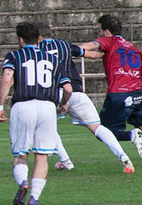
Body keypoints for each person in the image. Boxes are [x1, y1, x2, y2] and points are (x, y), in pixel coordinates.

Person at [36, 22, 133, 174]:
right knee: (97, 127)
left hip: (53, 93)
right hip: (77, 92)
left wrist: (63, 102)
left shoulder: (36, 50)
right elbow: (93, 55)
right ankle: (123, 156)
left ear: (38, 37)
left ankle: (65, 161)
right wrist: (110, 51)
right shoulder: (64, 45)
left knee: (44, 126)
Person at [0, 22, 71, 205]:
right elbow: (68, 88)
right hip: (47, 107)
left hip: (23, 106)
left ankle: (22, 182)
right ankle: (34, 199)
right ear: (39, 38)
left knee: (21, 153)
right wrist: (64, 103)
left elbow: (7, 79)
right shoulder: (53, 58)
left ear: (20, 40)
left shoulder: (14, 55)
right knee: (42, 155)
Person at [80, 15, 142, 168]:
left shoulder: (109, 41)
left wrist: (69, 50)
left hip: (118, 93)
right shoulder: (132, 48)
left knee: (102, 131)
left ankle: (130, 135)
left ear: (107, 31)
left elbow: (89, 46)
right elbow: (139, 72)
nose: (100, 34)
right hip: (136, 91)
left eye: (100, 30)